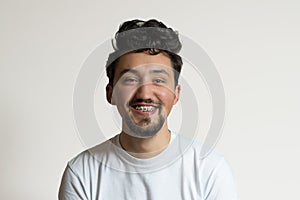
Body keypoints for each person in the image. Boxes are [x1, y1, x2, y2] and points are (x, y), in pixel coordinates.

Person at [59, 19, 238, 200]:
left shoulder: (210, 170)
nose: (145, 93)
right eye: (130, 79)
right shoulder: (82, 173)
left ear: (176, 94)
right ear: (111, 93)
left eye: (158, 80)